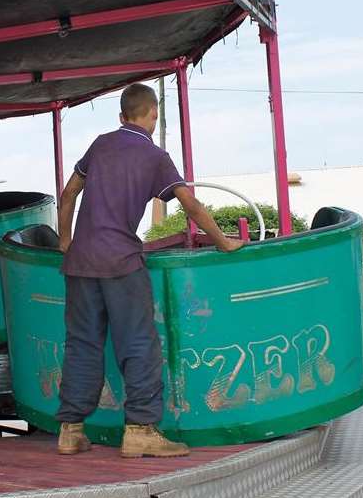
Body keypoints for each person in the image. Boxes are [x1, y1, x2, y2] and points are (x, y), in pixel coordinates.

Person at [55, 83, 243, 457]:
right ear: (152, 116)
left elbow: (69, 193)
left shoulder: (100, 144)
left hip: (81, 263)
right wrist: (223, 241)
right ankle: (140, 430)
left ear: (122, 116)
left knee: (82, 344)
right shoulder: (156, 156)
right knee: (139, 343)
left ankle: (71, 431)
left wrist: (65, 241)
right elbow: (190, 204)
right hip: (122, 262)